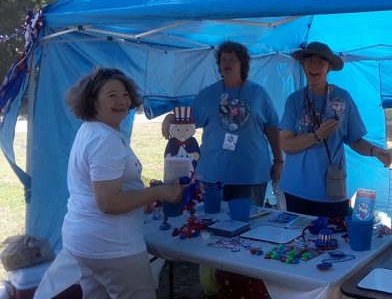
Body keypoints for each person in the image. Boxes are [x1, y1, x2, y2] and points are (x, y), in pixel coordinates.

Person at [62, 67, 184, 299]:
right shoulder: (104, 139)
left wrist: (143, 195)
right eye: (112, 95)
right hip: (112, 246)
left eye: (125, 94)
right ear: (93, 101)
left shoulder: (92, 130)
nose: (121, 101)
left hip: (85, 241)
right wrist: (160, 193)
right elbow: (109, 202)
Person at [279, 41, 392, 219]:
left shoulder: (342, 98)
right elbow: (287, 145)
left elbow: (354, 140)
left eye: (320, 62)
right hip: (297, 189)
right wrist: (317, 135)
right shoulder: (294, 100)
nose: (314, 67)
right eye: (309, 61)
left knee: (333, 243)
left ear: (329, 67)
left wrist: (375, 151)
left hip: (332, 190)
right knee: (298, 243)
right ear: (303, 64)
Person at [162, 41, 283, 207]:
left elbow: (272, 128)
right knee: (211, 224)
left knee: (246, 224)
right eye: (223, 59)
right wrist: (170, 117)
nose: (227, 63)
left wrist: (278, 161)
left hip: (251, 174)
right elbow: (188, 122)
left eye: (232, 59)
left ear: (243, 64)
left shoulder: (258, 93)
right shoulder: (207, 94)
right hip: (213, 174)